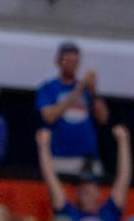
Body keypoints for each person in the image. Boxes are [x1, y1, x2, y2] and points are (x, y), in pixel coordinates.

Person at [36, 41, 108, 175]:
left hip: (87, 159)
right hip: (59, 158)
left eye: (75, 60)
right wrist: (79, 89)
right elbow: (49, 117)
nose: (71, 64)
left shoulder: (87, 90)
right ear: (58, 61)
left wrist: (93, 91)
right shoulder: (48, 88)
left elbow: (103, 118)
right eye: (67, 59)